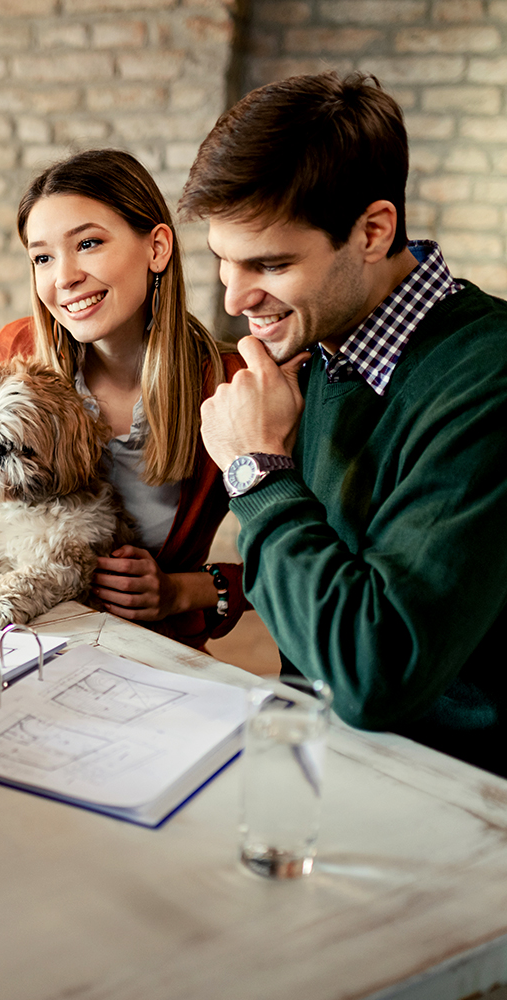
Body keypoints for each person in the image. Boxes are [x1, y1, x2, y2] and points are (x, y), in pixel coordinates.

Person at [183, 71, 507, 777]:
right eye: (224, 262)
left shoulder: (489, 380)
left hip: (455, 798)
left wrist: (258, 475)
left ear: (373, 231)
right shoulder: (325, 347)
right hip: (319, 760)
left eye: (270, 263)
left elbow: (373, 676)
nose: (235, 297)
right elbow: (307, 631)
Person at [0, 149, 247, 649]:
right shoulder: (18, 349)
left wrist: (183, 591)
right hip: (15, 636)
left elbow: (302, 556)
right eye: (42, 257)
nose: (63, 277)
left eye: (87, 243)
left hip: (143, 650)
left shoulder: (230, 384)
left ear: (157, 248)